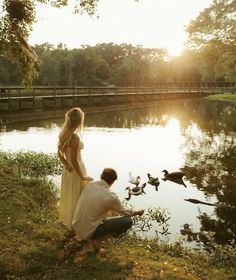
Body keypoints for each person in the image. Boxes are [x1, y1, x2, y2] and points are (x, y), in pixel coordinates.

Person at [72, 168, 144, 251]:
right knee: (128, 221)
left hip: (76, 226)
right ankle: (97, 239)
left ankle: (92, 238)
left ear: (100, 176)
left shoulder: (89, 184)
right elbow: (126, 213)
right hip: (88, 232)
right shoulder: (111, 197)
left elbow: (92, 181)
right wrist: (138, 212)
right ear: (113, 182)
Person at [58, 107, 93, 229]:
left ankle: (70, 224)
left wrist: (65, 164)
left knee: (70, 195)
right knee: (78, 197)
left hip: (68, 170)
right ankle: (76, 226)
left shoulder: (63, 134)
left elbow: (59, 153)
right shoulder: (75, 137)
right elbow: (74, 159)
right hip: (76, 170)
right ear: (79, 122)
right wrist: (82, 176)